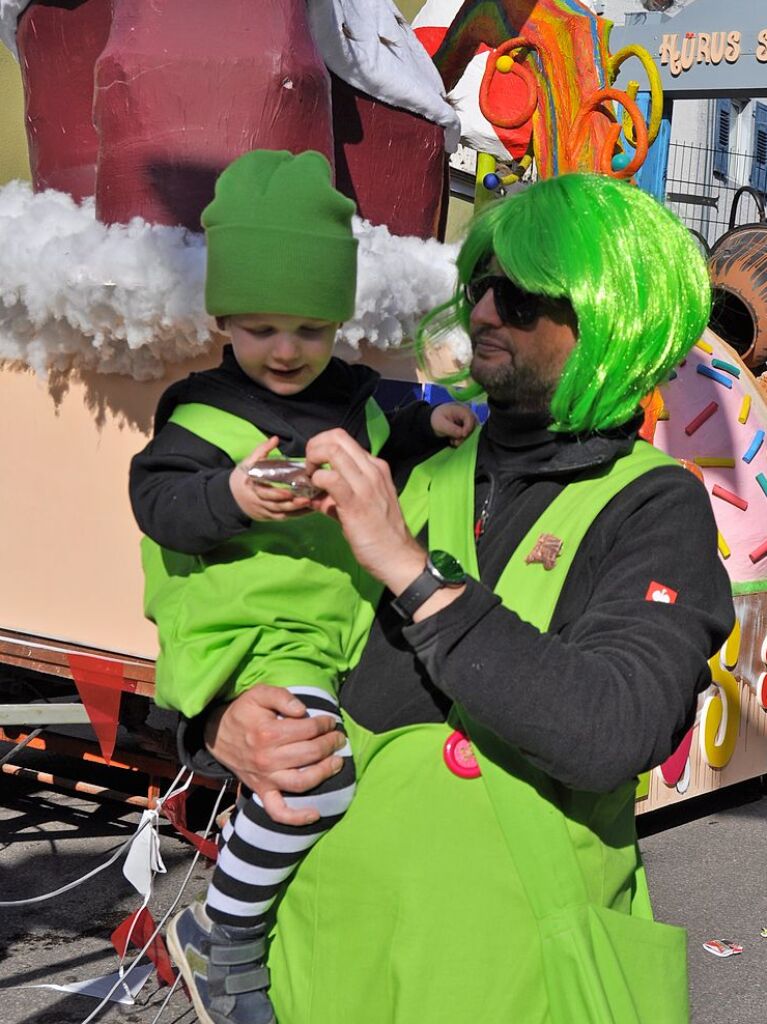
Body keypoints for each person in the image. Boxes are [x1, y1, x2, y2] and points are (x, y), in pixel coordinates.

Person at [192, 172, 735, 1024]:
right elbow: (252, 611)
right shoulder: (405, 458)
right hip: (325, 960)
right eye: (481, 286)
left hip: (515, 978)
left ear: (609, 319)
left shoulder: (653, 504)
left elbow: (612, 728)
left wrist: (411, 572)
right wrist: (217, 722)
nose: (482, 313)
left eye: (519, 299)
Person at [129, 149, 475, 1024]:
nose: (285, 352)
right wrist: (231, 494)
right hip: (253, 629)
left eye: (310, 331)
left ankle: (254, 926)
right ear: (225, 322)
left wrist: (426, 422)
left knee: (330, 785)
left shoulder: (353, 394)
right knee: (314, 780)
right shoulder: (201, 410)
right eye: (259, 328)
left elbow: (384, 428)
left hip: (333, 628)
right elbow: (156, 497)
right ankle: (221, 936)